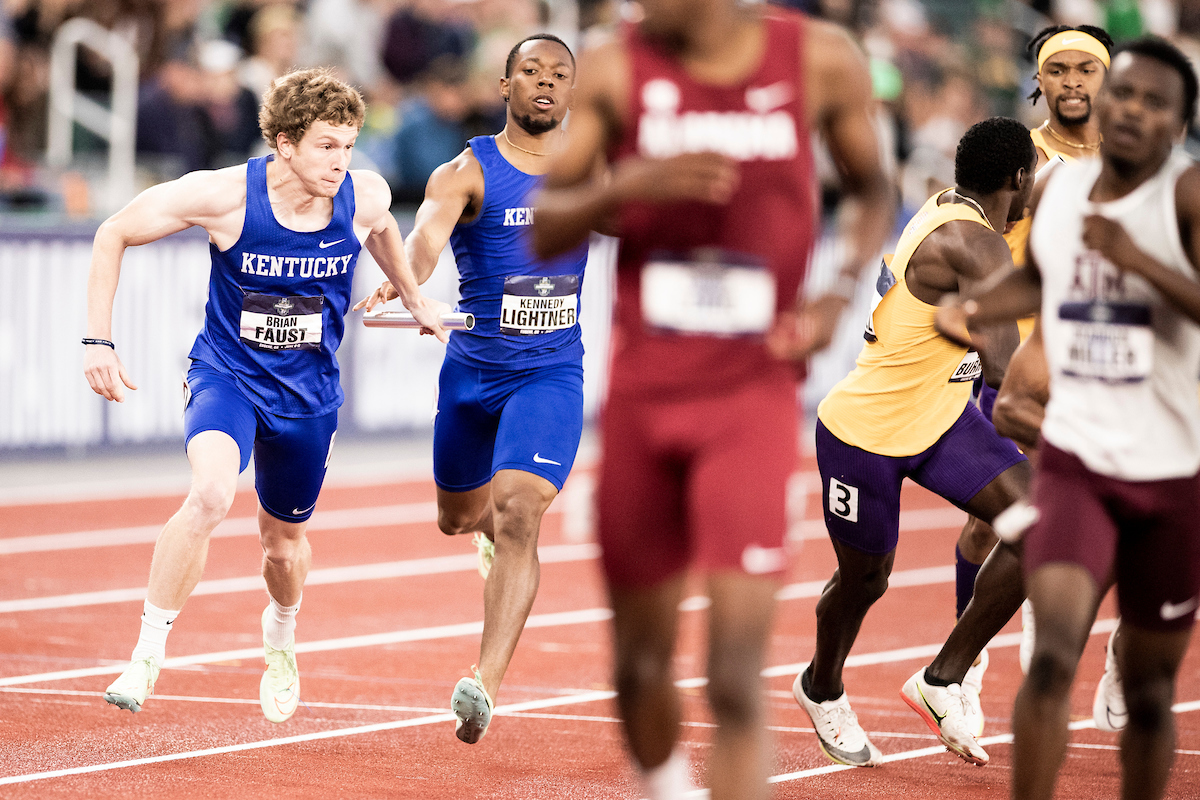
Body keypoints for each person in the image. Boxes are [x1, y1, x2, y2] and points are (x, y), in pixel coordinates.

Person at [530, 3, 894, 798]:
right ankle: (666, 785)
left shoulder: (820, 58)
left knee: (733, 675)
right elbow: (546, 227)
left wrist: (836, 292)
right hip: (645, 398)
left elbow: (873, 190)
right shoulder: (613, 64)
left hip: (752, 397)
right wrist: (628, 186)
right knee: (639, 666)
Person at [85, 68, 449, 721]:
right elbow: (113, 231)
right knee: (211, 493)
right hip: (227, 375)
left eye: (349, 145)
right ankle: (145, 653)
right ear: (283, 144)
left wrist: (414, 295)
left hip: (308, 395)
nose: (341, 162)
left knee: (282, 545)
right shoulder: (223, 196)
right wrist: (98, 342)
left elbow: (384, 231)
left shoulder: (362, 194)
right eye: (325, 147)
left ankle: (280, 631)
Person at [937, 37, 1200, 800]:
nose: (1131, 112)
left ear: (1177, 122)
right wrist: (975, 309)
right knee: (1051, 656)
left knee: (1151, 690)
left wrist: (1136, 259)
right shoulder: (1056, 190)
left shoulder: (1184, 198)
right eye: (1126, 95)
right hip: (1076, 459)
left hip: (1167, 468)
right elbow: (1039, 282)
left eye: (1154, 102)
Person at [355, 34, 586, 745]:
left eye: (559, 75)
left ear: (571, 93)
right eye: (531, 72)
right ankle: (484, 533)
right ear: (504, 86)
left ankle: (483, 683)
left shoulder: (590, 171)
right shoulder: (465, 172)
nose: (546, 83)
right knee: (459, 519)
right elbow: (422, 244)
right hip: (472, 375)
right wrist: (403, 281)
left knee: (521, 510)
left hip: (550, 374)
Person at [787, 118, 1034, 769]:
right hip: (864, 433)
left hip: (941, 420)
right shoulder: (977, 246)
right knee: (865, 581)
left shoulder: (947, 202)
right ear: (1019, 180)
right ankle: (821, 687)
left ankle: (942, 678)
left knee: (1038, 527)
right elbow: (1008, 371)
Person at [945, 23, 1115, 732]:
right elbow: (959, 226)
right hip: (1019, 361)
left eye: (1087, 71)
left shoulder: (1135, 156)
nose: (1073, 83)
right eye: (1058, 70)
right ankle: (967, 657)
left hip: (1104, 358)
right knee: (992, 523)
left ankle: (1119, 655)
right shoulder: (1017, 156)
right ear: (1037, 81)